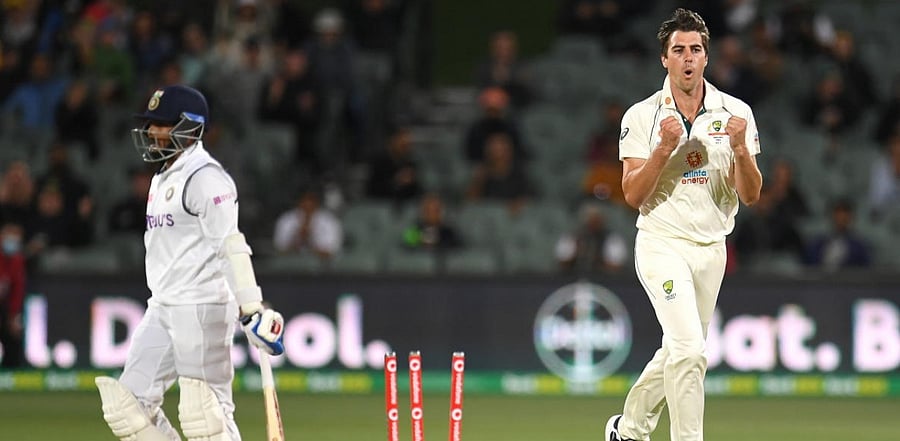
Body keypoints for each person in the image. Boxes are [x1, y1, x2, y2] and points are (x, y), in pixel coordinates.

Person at [94, 84, 285, 441]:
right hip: (163, 305)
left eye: (162, 124)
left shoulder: (206, 178)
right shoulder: (163, 176)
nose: (152, 132)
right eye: (151, 124)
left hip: (201, 306)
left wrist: (252, 309)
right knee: (127, 408)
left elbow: (230, 245)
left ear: (190, 127)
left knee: (205, 417)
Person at [605, 9, 762, 441]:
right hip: (661, 242)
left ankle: (629, 429)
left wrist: (742, 151)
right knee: (691, 351)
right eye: (679, 50)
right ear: (664, 59)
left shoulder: (736, 113)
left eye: (696, 49)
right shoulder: (641, 116)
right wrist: (663, 150)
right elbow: (633, 196)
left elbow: (750, 195)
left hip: (711, 249)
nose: (688, 58)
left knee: (680, 351)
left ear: (706, 57)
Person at [0, 221, 27, 369]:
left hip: (4, 306)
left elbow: (17, 289)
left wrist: (13, 315)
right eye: (10, 236)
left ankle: (10, 373)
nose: (13, 241)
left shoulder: (17, 260)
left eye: (17, 238)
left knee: (13, 335)